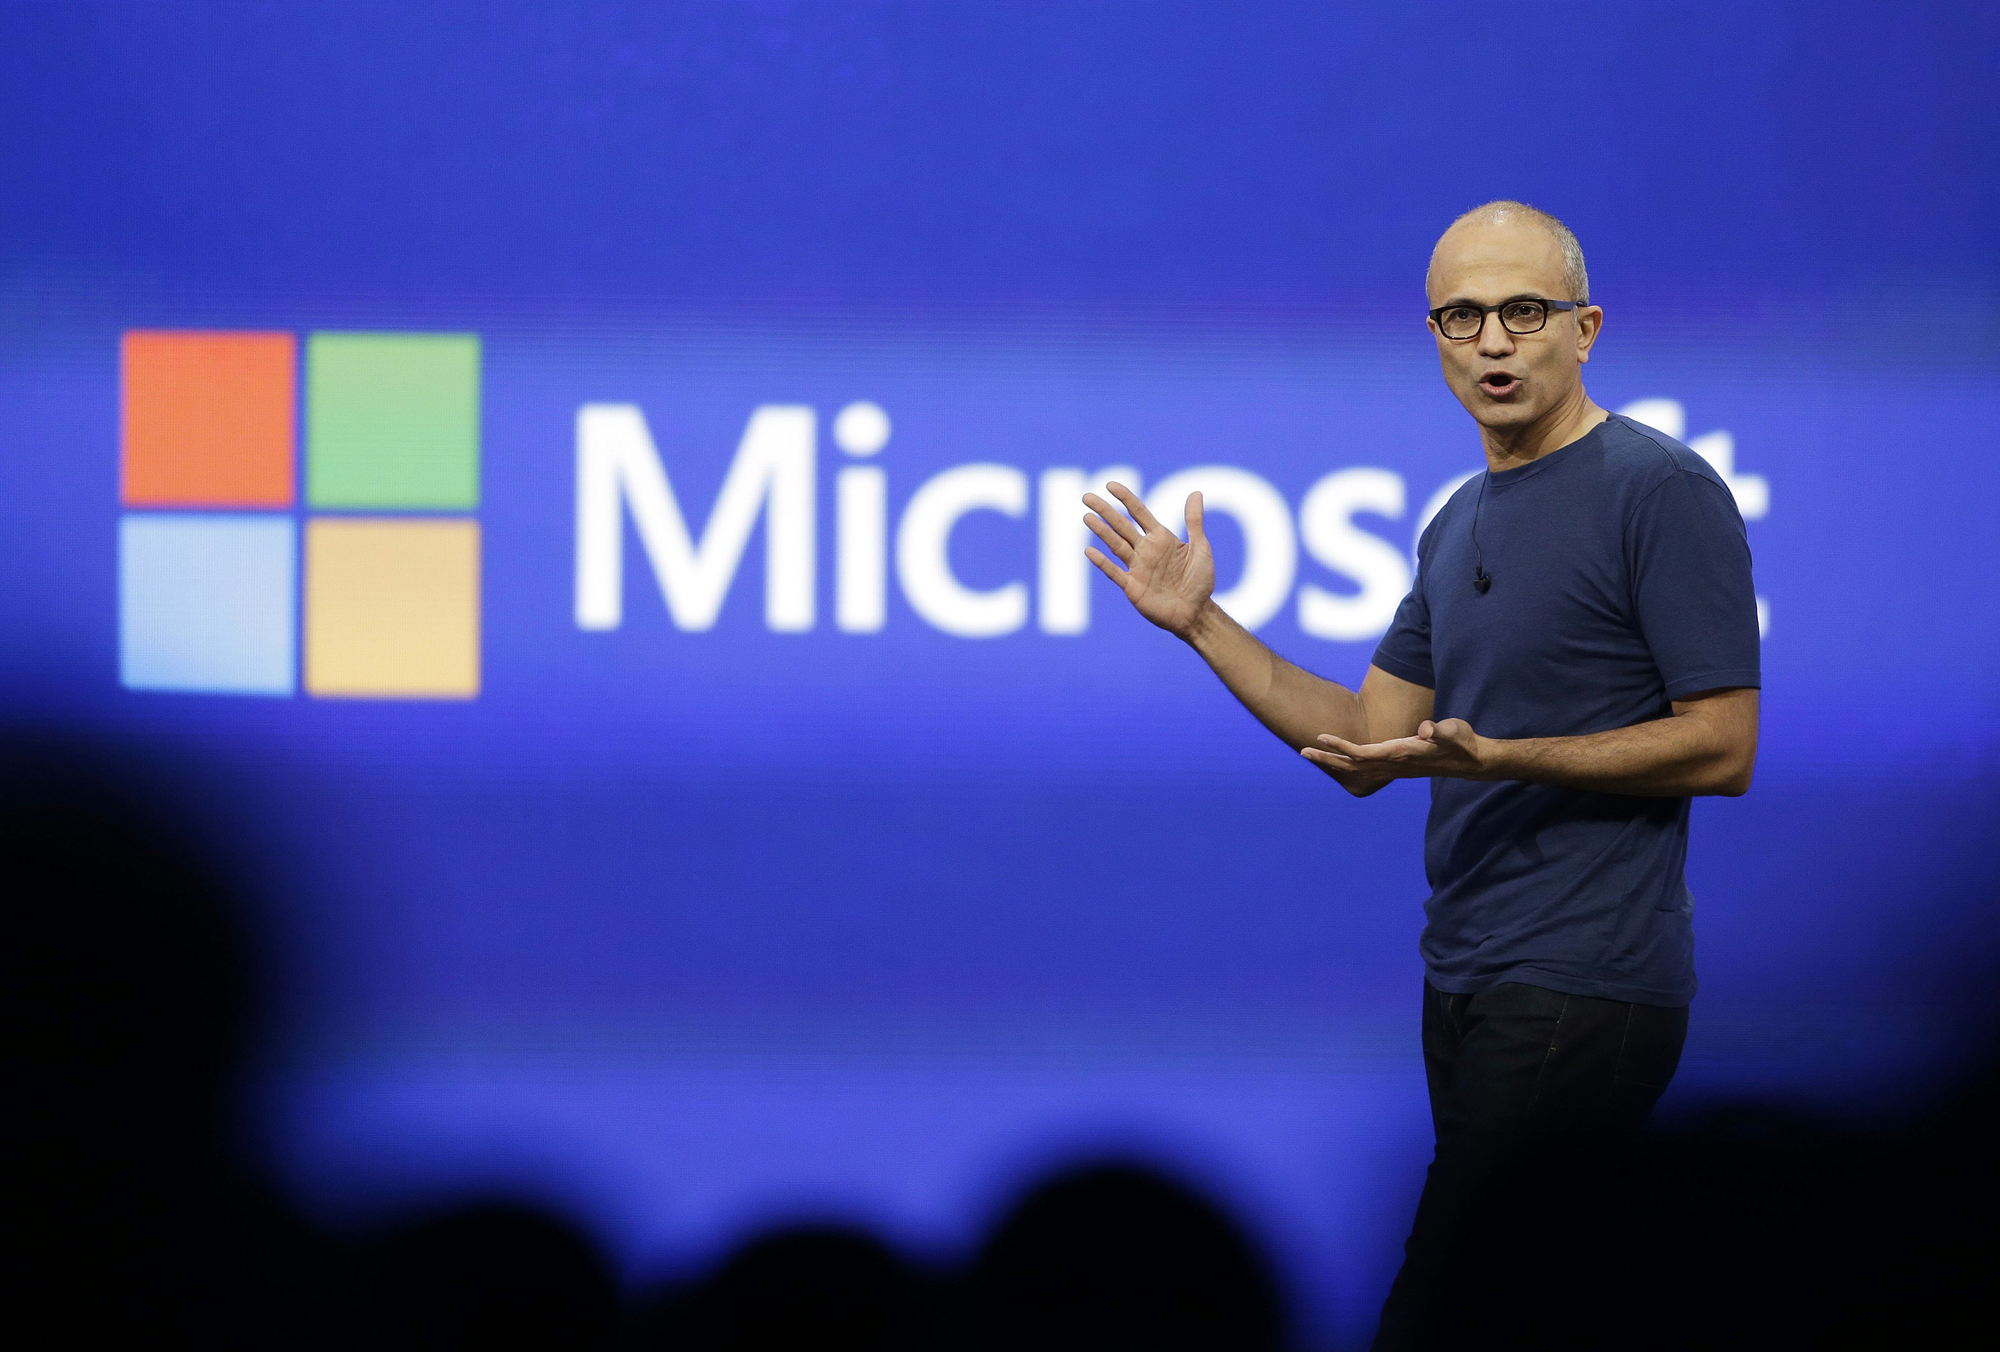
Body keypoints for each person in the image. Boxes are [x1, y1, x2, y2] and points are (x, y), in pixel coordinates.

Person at [1081, 201, 1760, 1347]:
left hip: (1581, 977)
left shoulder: (1658, 488)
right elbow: (1363, 739)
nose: (1490, 340)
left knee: (1444, 1306)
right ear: (1432, 336)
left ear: (1584, 327)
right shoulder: (1457, 521)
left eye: (1521, 311)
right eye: (1460, 316)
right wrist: (1201, 624)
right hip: (1465, 971)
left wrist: (1501, 754)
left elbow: (1722, 742)